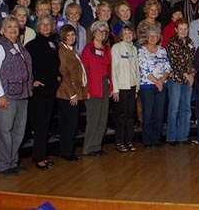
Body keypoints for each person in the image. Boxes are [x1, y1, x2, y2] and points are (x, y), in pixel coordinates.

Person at [0, 16, 33, 176]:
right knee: (4, 131)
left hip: (21, 94)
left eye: (15, 27)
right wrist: (0, 95)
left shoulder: (19, 46)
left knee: (18, 131)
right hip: (5, 95)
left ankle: (12, 161)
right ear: (2, 30)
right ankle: (4, 165)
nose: (13, 30)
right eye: (9, 27)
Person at [25, 15, 59, 169]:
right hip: (38, 91)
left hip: (51, 89)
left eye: (48, 25)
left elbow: (55, 64)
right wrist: (32, 81)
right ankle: (38, 158)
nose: (46, 27)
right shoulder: (31, 45)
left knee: (46, 124)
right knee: (39, 125)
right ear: (38, 27)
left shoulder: (53, 44)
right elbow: (26, 65)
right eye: (43, 25)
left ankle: (41, 155)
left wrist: (59, 76)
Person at [80, 22, 111, 157]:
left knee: (102, 118)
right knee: (93, 119)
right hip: (92, 87)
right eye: (99, 31)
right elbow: (83, 71)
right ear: (93, 33)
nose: (101, 34)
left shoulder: (106, 49)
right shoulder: (88, 49)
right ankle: (88, 148)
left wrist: (111, 87)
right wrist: (85, 90)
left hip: (104, 84)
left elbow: (109, 69)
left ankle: (97, 145)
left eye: (104, 31)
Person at [55, 25, 85, 162]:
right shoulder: (62, 51)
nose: (71, 38)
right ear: (63, 36)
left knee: (72, 124)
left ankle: (68, 150)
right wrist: (72, 94)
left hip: (74, 93)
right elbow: (63, 74)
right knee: (69, 124)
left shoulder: (71, 50)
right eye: (68, 35)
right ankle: (66, 152)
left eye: (73, 35)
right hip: (66, 94)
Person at [138, 27, 171, 148]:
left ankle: (156, 140)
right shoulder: (141, 51)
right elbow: (143, 68)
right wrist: (157, 82)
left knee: (159, 113)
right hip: (147, 85)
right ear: (146, 37)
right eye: (150, 36)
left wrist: (161, 81)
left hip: (162, 84)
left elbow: (168, 67)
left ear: (158, 38)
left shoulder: (162, 50)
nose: (152, 38)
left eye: (155, 36)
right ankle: (147, 141)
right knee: (147, 113)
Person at [110, 26, 140, 152]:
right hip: (121, 87)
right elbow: (113, 69)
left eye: (130, 33)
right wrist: (115, 89)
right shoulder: (116, 48)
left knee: (130, 115)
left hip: (132, 86)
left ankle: (129, 141)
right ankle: (119, 142)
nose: (128, 35)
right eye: (125, 33)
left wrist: (137, 87)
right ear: (121, 35)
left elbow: (136, 69)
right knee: (121, 115)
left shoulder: (133, 48)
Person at [165, 19, 195, 145]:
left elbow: (193, 60)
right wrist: (186, 75)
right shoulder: (172, 42)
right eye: (181, 29)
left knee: (186, 109)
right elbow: (174, 62)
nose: (183, 31)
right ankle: (171, 137)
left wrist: (192, 73)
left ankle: (183, 136)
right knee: (174, 109)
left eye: (185, 29)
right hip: (176, 79)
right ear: (176, 30)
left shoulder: (190, 42)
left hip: (188, 79)